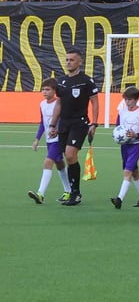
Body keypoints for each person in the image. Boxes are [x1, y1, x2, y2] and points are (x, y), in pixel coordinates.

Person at [47, 47, 100, 206]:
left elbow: (95, 102)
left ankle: (75, 193)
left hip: (80, 122)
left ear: (79, 62)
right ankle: (73, 192)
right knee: (69, 157)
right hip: (64, 123)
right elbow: (59, 104)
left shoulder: (86, 80)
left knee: (70, 155)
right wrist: (52, 124)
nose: (69, 62)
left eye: (72, 60)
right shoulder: (61, 81)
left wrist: (94, 123)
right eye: (67, 60)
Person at [28, 78, 73, 204]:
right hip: (49, 140)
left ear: (54, 91)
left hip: (59, 139)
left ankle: (40, 194)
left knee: (48, 162)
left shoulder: (59, 103)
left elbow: (64, 121)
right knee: (59, 163)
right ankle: (68, 191)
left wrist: (58, 130)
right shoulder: (42, 104)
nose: (44, 92)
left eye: (47, 89)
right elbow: (43, 123)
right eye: (43, 89)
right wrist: (37, 139)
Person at [110, 86, 139, 209]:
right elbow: (118, 128)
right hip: (125, 146)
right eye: (125, 99)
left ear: (135, 100)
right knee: (134, 172)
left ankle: (119, 199)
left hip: (136, 146)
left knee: (127, 172)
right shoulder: (122, 113)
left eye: (129, 100)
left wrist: (136, 134)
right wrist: (118, 136)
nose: (127, 102)